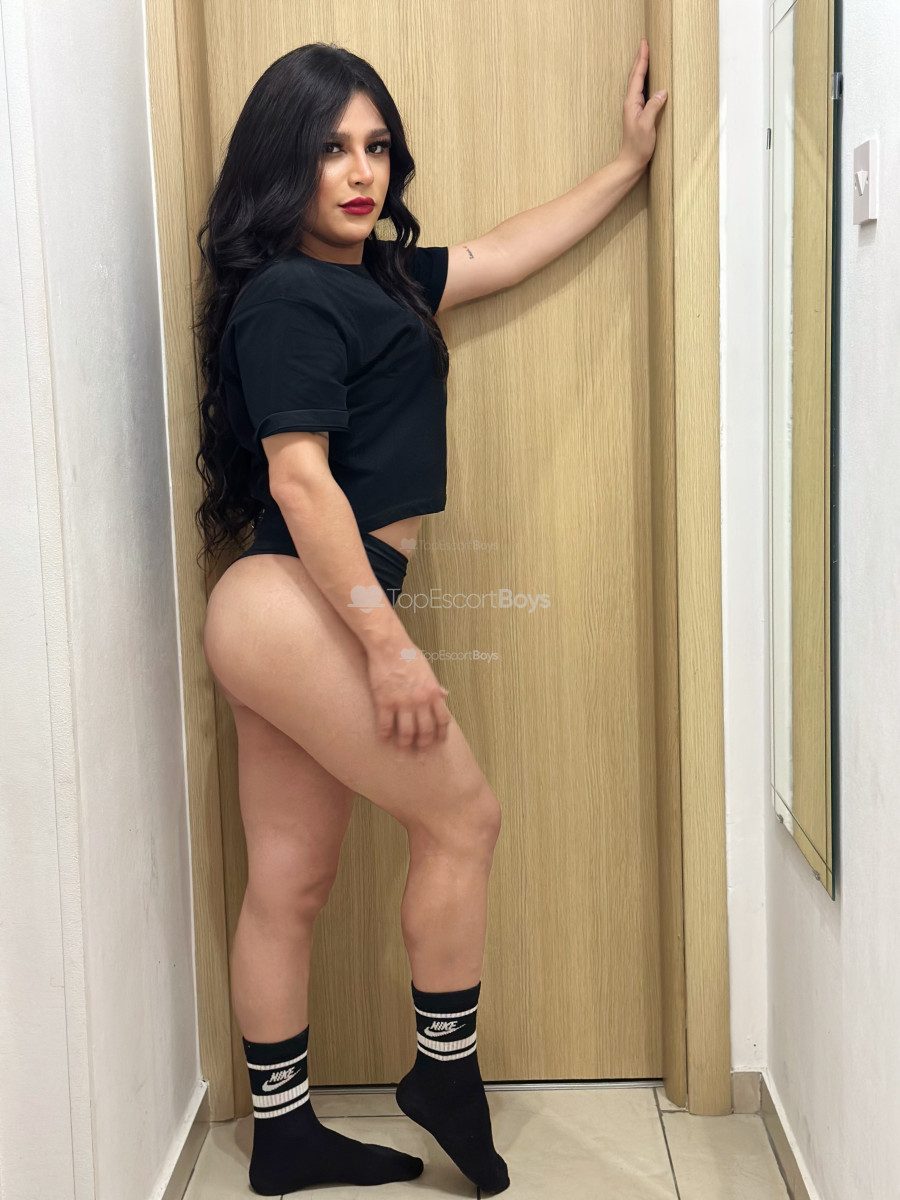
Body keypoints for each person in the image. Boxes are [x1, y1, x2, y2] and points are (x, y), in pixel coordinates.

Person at [195, 39, 665, 1198]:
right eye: (329, 149)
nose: (360, 172)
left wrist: (625, 165)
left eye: (375, 146)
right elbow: (300, 479)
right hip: (302, 599)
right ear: (282, 165)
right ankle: (444, 1073)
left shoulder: (382, 280)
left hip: (283, 607)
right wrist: (389, 649)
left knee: (291, 880)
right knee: (465, 818)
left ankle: (285, 1135)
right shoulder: (289, 296)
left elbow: (501, 251)